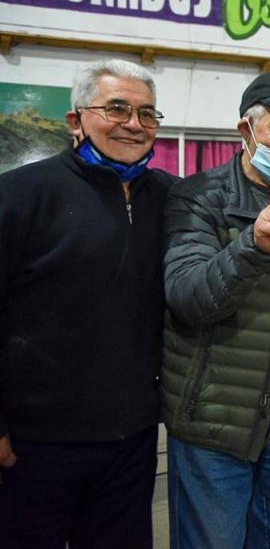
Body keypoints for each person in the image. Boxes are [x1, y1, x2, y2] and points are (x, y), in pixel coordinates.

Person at [0, 59, 175, 548]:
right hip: (35, 442)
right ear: (75, 120)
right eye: (116, 109)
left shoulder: (169, 195)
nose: (134, 124)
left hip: (133, 437)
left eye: (146, 113)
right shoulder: (20, 194)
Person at [162, 72, 270, 549]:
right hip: (216, 414)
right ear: (246, 130)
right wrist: (253, 246)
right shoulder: (199, 195)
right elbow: (187, 296)